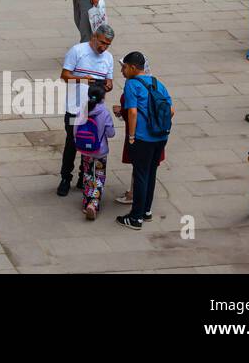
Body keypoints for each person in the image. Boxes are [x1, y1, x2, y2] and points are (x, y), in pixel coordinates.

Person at [115, 51, 174, 230]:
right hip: (161, 136)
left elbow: (132, 112)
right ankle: (146, 210)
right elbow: (171, 110)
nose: (122, 71)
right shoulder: (157, 83)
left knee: (140, 175)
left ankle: (135, 218)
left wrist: (131, 136)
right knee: (151, 173)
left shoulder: (132, 84)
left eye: (124, 67)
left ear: (133, 67)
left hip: (142, 137)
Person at [57, 24, 115, 197]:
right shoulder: (77, 51)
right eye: (102, 42)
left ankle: (84, 176)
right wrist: (83, 79)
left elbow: (109, 80)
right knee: (72, 142)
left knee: (90, 142)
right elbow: (64, 76)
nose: (104, 47)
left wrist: (108, 85)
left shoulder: (108, 58)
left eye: (108, 44)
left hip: (94, 110)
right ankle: (65, 177)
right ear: (94, 37)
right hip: (75, 108)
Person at [76, 81, 116, 220]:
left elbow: (75, 129)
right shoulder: (104, 112)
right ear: (103, 97)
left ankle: (85, 202)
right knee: (99, 176)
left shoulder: (82, 109)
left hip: (85, 151)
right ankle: (93, 204)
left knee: (87, 175)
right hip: (100, 151)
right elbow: (111, 133)